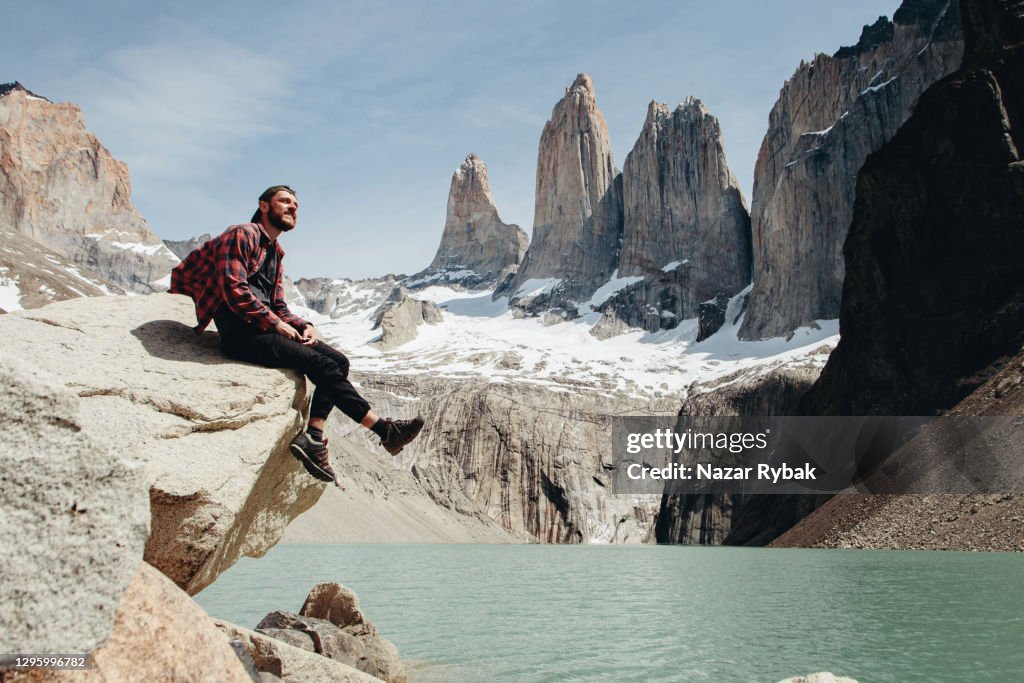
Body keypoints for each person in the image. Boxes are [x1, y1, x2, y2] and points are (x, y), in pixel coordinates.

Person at [170, 185, 424, 483]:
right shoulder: (243, 234)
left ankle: (314, 436)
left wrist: (304, 325)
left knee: (339, 361)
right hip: (240, 332)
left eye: (296, 205)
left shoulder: (275, 253)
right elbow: (232, 288)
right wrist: (276, 324)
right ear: (264, 206)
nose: (293, 208)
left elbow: (278, 304)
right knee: (323, 366)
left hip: (261, 328)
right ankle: (384, 429)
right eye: (285, 202)